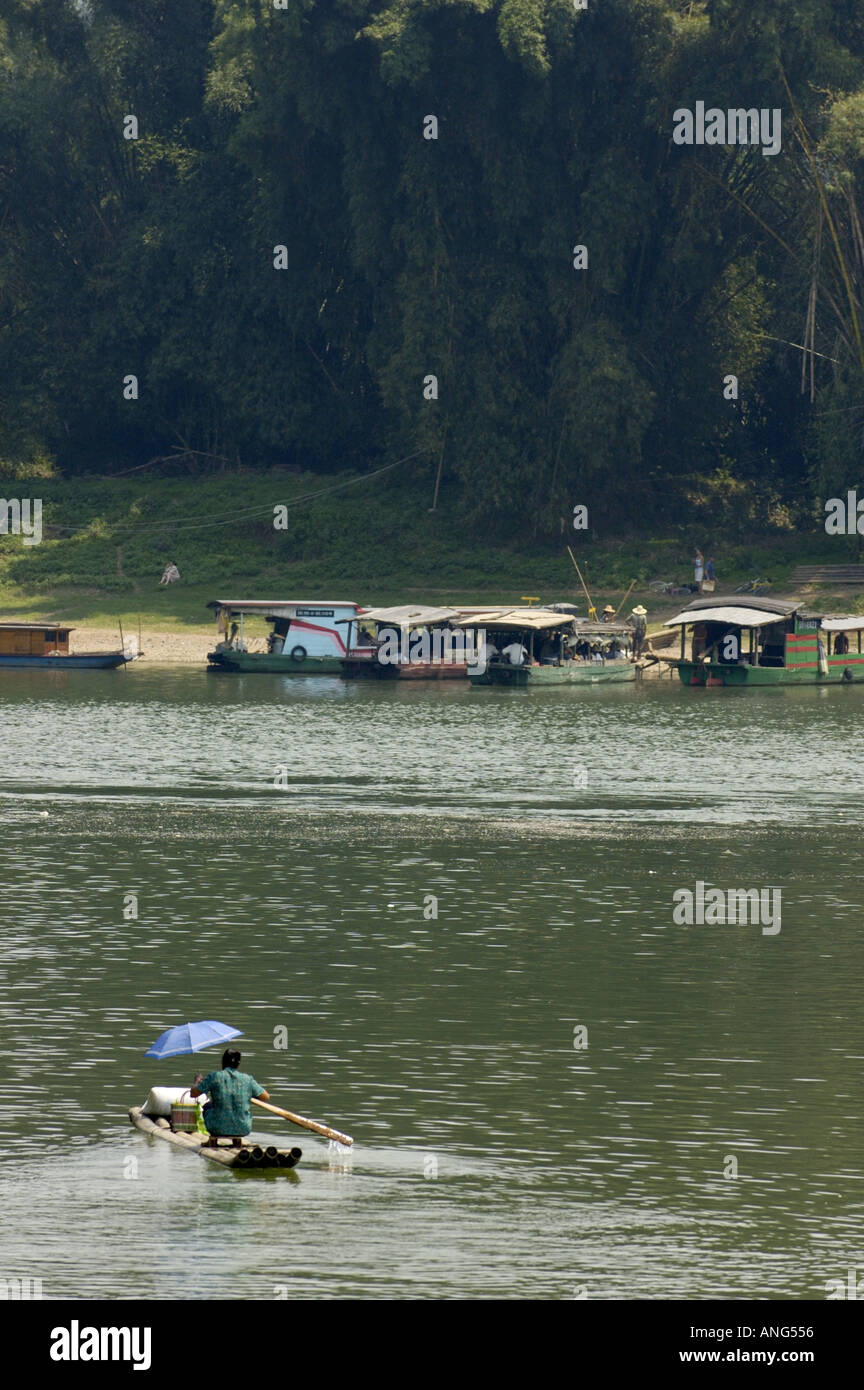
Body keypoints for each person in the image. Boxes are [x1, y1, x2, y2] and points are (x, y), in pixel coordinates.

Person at [190, 1049, 270, 1149]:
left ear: (223, 1062)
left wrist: (197, 1081)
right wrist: (247, 1093)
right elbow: (265, 1097)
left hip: (217, 1127)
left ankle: (213, 1139)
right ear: (238, 1064)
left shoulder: (215, 1076)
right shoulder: (247, 1079)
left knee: (207, 1106)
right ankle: (236, 1140)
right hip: (243, 1127)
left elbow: (193, 1094)